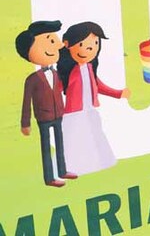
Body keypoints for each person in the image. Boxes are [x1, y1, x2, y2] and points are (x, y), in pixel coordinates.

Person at [58, 22, 131, 175]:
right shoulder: (68, 72)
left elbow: (98, 85)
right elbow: (55, 90)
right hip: (74, 113)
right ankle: (68, 167)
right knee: (72, 140)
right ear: (67, 45)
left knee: (95, 135)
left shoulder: (89, 67)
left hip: (90, 110)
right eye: (83, 44)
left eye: (96, 43)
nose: (91, 48)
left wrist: (117, 93)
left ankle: (100, 163)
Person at [15, 20, 76, 187]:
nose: (56, 46)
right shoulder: (32, 79)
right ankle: (49, 177)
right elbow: (26, 101)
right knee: (46, 148)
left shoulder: (56, 73)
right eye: (49, 40)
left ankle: (62, 170)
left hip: (58, 114)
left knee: (60, 143)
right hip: (43, 117)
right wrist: (25, 123)